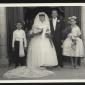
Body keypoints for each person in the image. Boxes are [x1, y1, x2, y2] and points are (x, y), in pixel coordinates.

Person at [3, 12, 57, 79]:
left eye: (43, 17)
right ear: (38, 17)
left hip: (45, 40)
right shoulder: (36, 24)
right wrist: (37, 33)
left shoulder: (47, 24)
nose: (41, 18)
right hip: (37, 40)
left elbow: (49, 32)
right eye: (40, 17)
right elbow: (32, 33)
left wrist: (48, 34)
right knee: (38, 52)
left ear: (44, 17)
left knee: (45, 51)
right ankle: (38, 64)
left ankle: (45, 64)